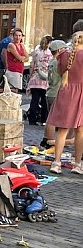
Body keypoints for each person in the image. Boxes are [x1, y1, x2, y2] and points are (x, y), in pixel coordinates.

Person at [46, 31, 83, 174]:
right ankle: (77, 164)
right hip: (81, 92)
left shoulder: (64, 55)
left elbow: (61, 72)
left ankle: (56, 163)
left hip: (66, 91)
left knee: (62, 130)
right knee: (80, 131)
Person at [42, 39, 67, 148]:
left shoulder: (52, 61)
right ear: (60, 50)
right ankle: (51, 141)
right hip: (57, 92)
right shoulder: (59, 62)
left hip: (50, 91)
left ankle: (46, 139)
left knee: (50, 118)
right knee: (56, 120)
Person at [26, 36, 53, 126]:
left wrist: (31, 76)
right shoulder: (50, 53)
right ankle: (43, 120)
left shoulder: (36, 51)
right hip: (45, 79)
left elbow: (32, 65)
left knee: (34, 100)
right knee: (44, 101)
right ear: (49, 43)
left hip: (35, 78)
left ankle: (32, 120)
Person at [2, 28, 27, 93]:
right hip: (13, 71)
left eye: (19, 35)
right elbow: (19, 57)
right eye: (16, 35)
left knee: (16, 91)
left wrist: (21, 58)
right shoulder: (11, 45)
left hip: (19, 71)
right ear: (13, 36)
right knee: (13, 91)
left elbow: (27, 58)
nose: (18, 37)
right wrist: (20, 58)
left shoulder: (22, 45)